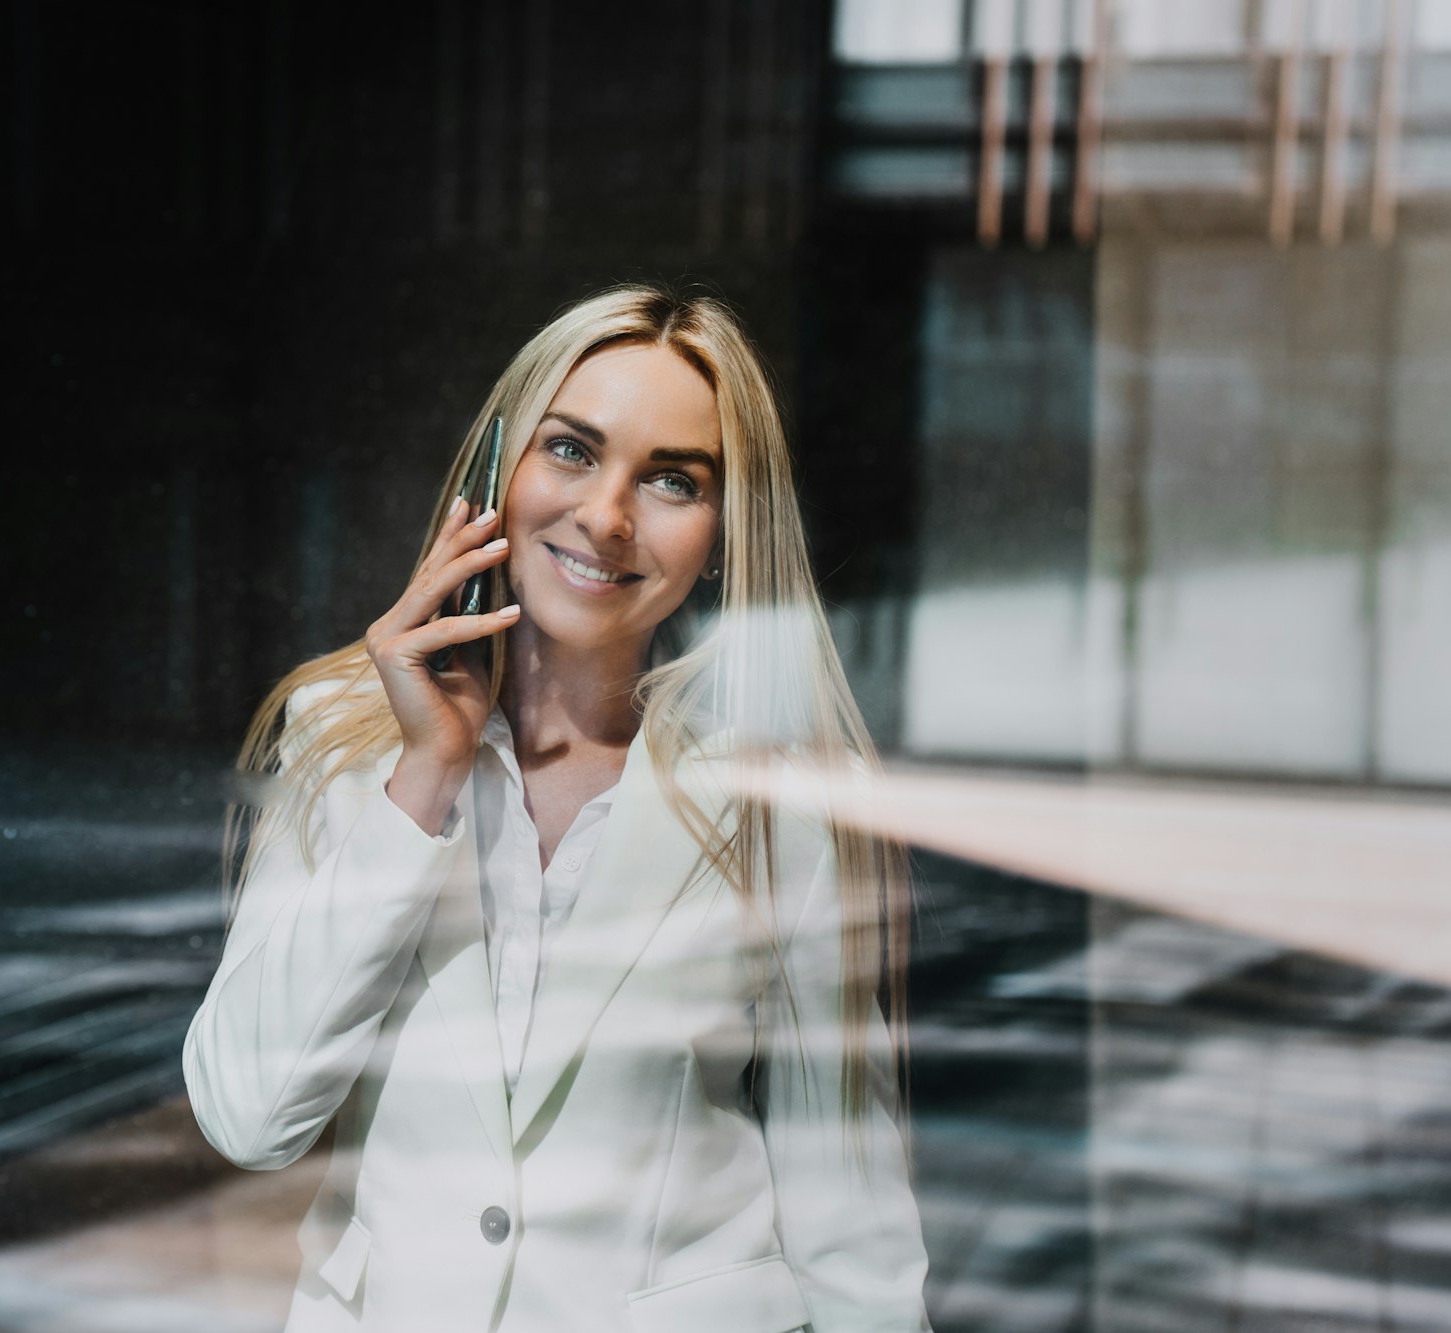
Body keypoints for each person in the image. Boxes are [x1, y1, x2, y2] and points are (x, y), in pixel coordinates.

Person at [182, 284, 929, 1332]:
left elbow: (847, 1209)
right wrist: (423, 779)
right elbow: (248, 1117)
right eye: (571, 450)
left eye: (672, 479)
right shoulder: (339, 739)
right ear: (498, 470)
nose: (607, 516)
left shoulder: (781, 799)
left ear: (723, 529)